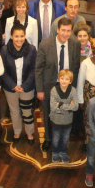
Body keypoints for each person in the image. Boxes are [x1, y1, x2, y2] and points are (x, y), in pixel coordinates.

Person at [36, 17, 81, 150]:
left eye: (68, 31)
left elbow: (76, 68)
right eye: (63, 30)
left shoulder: (75, 44)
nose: (65, 34)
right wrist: (40, 90)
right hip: (49, 86)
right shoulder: (45, 44)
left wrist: (74, 90)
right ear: (57, 29)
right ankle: (48, 139)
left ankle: (62, 140)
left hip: (67, 86)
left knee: (65, 114)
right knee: (49, 114)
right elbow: (38, 69)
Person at [0, 24, 38, 144]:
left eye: (22, 36)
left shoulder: (31, 49)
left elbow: (34, 69)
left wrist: (25, 86)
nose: (19, 39)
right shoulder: (5, 50)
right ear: (11, 36)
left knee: (27, 111)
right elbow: (3, 71)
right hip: (10, 87)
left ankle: (29, 132)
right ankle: (16, 131)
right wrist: (13, 85)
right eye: (16, 36)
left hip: (27, 87)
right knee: (14, 111)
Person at [50, 69, 78, 163]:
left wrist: (60, 104)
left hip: (68, 120)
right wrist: (68, 106)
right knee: (56, 138)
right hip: (56, 120)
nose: (64, 81)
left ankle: (63, 152)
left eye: (66, 79)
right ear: (58, 79)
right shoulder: (54, 90)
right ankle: (55, 152)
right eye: (62, 78)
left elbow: (75, 107)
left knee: (65, 138)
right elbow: (53, 107)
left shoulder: (73, 90)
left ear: (70, 81)